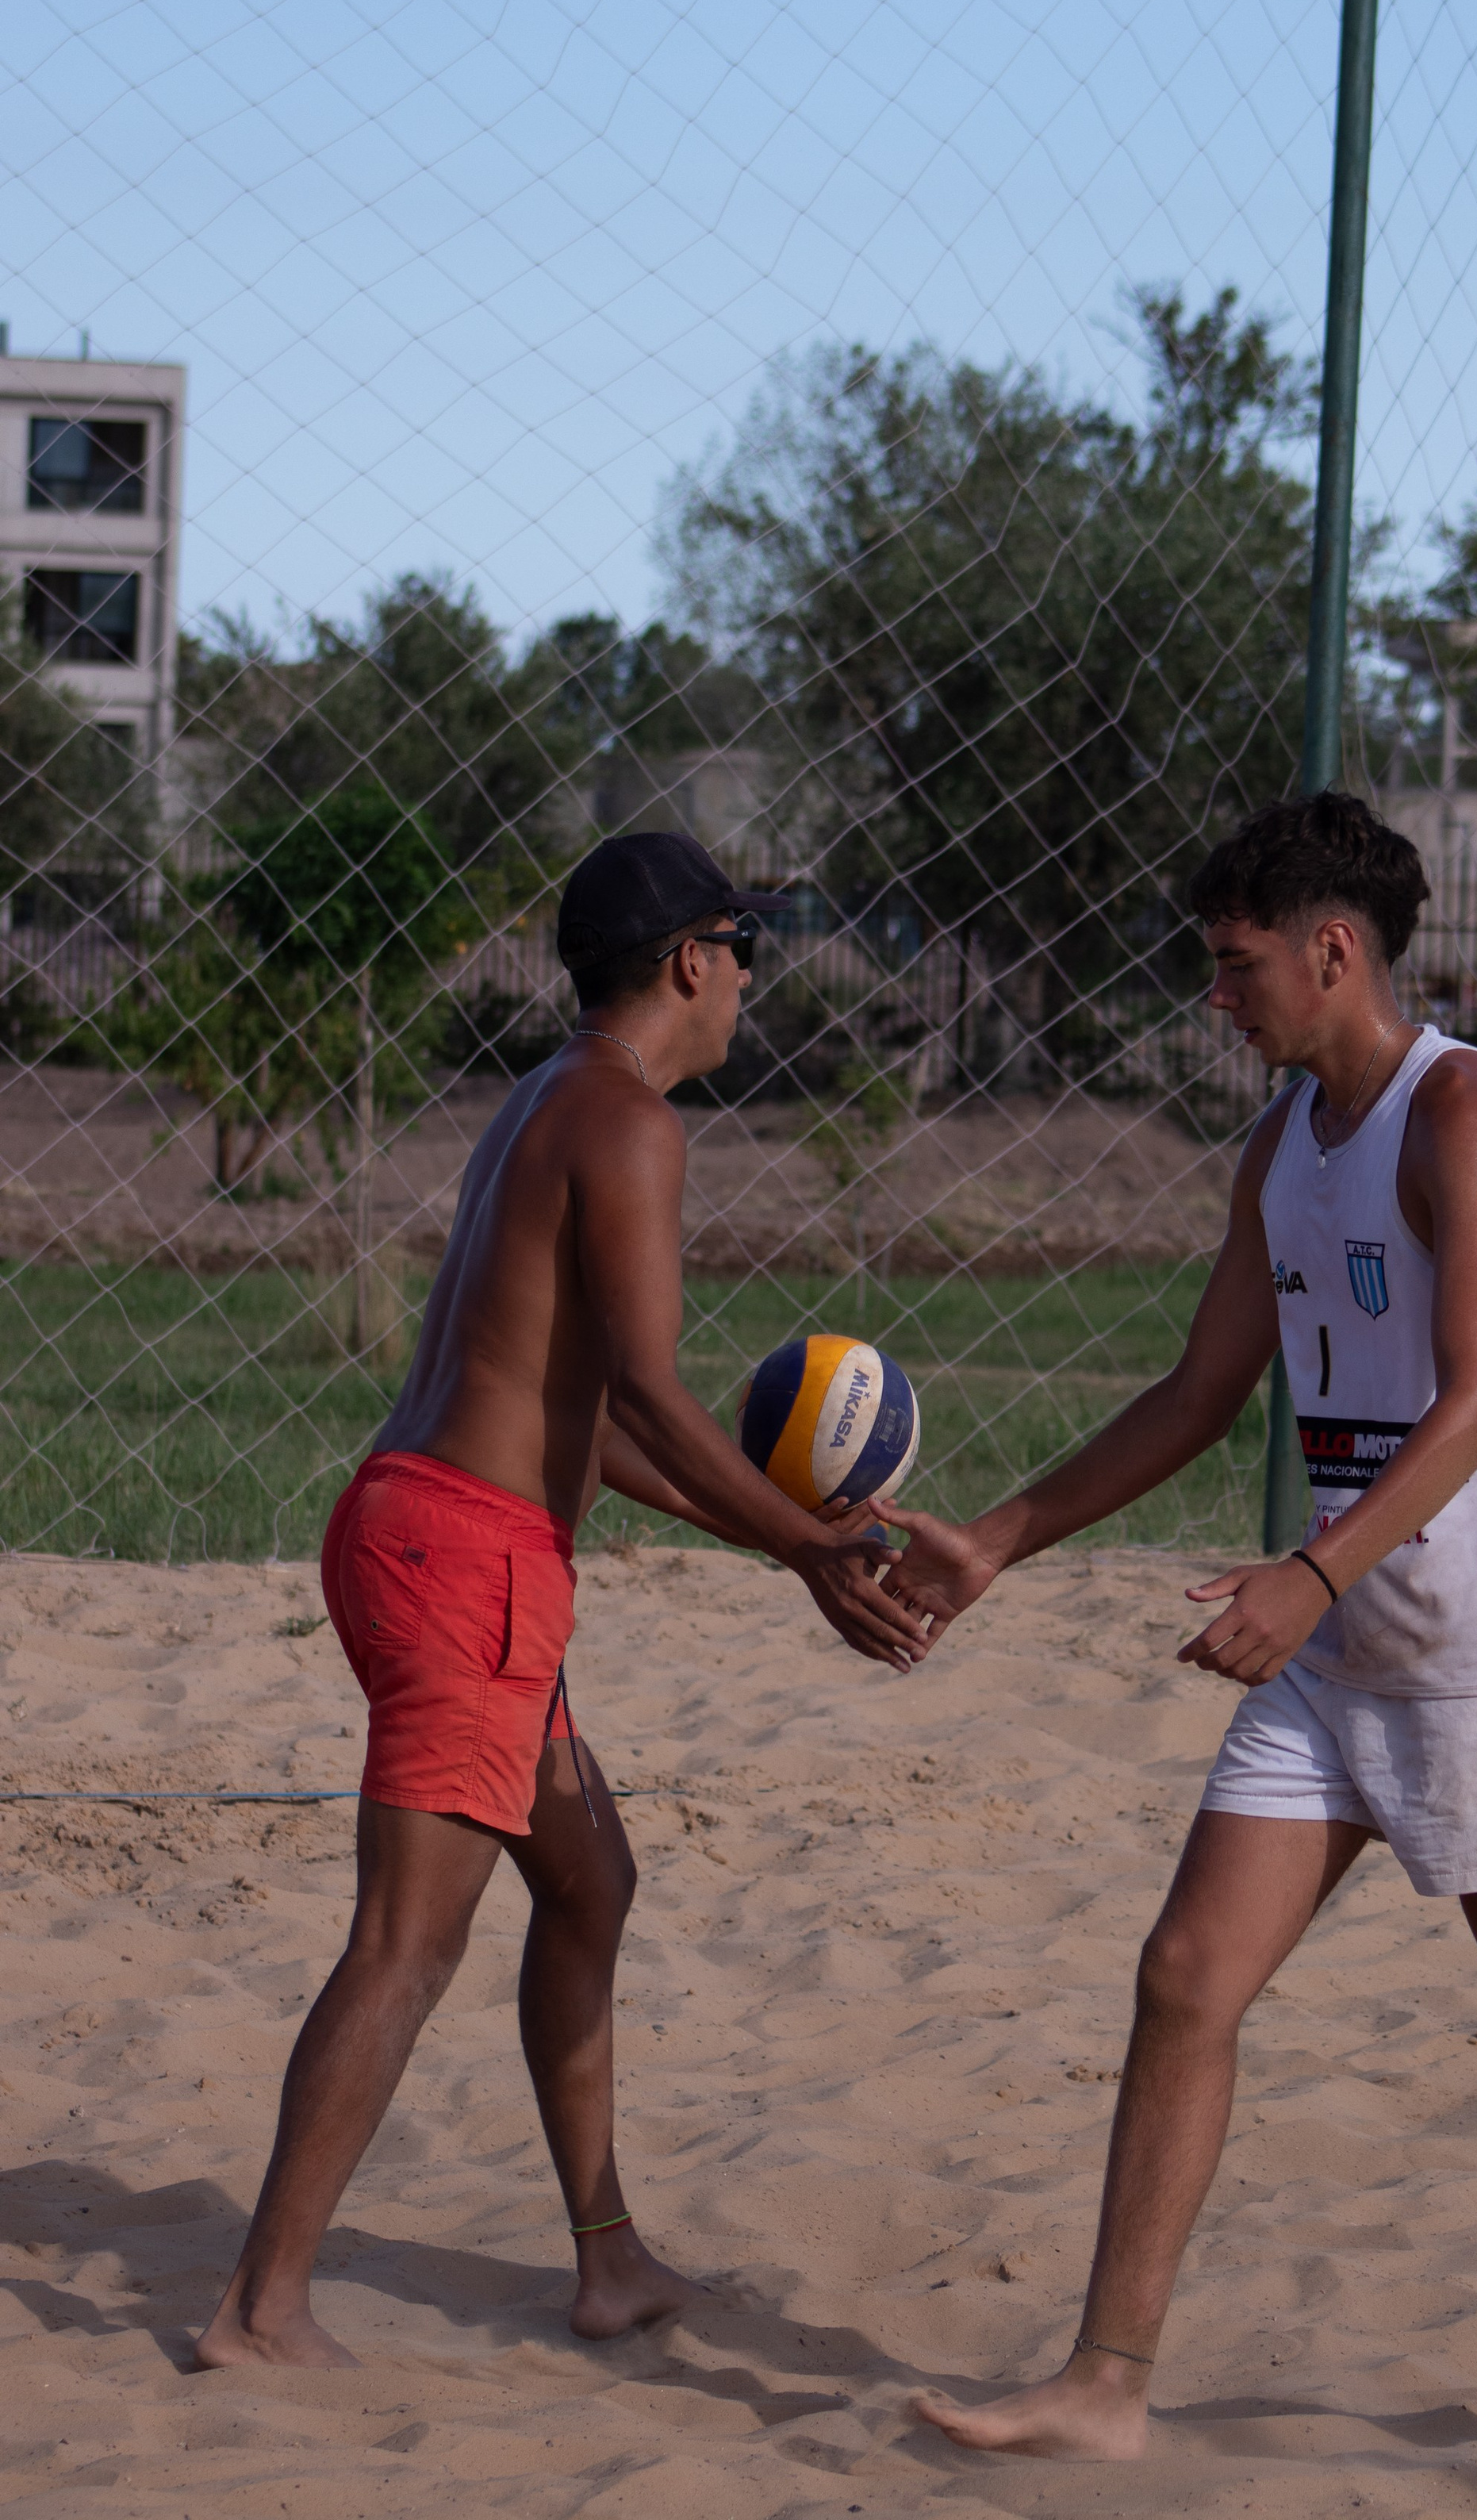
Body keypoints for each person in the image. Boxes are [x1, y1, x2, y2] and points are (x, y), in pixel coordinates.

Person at [900, 792, 1477, 2485]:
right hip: (1334, 1655)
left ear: (1330, 951)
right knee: (1183, 1977)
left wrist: (1315, 1567)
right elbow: (1204, 1394)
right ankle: (1106, 2379)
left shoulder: (1466, 1113)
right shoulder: (1281, 1147)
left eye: (1235, 968)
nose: (1216, 1000)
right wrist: (998, 1538)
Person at [197, 828, 953, 2372]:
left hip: (431, 1533)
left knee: (588, 1882)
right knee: (406, 1945)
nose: (747, 982)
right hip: (463, 1561)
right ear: (690, 959)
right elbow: (661, 1403)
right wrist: (815, 1554)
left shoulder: (544, 1102)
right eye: (742, 951)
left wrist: (776, 1539)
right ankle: (262, 2308)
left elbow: (592, 1423)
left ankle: (606, 2261)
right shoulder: (632, 1126)